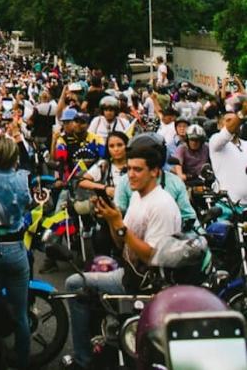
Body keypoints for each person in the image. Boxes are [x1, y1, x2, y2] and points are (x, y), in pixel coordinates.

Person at [64, 134, 181, 370]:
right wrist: (111, 220)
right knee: (77, 282)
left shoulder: (162, 204)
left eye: (138, 170)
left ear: (155, 171)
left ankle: (82, 360)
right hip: (128, 272)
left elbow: (151, 256)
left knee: (74, 283)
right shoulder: (138, 197)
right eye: (129, 169)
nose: (131, 175)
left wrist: (120, 224)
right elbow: (122, 245)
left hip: (144, 285)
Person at [0, 138, 31, 368]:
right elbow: (28, 204)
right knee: (21, 314)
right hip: (15, 249)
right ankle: (22, 362)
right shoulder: (22, 178)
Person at [209, 112, 247, 207]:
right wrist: (242, 114)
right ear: (219, 125)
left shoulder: (246, 144)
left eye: (237, 121)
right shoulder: (215, 142)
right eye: (228, 121)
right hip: (226, 205)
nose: (235, 123)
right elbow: (228, 132)